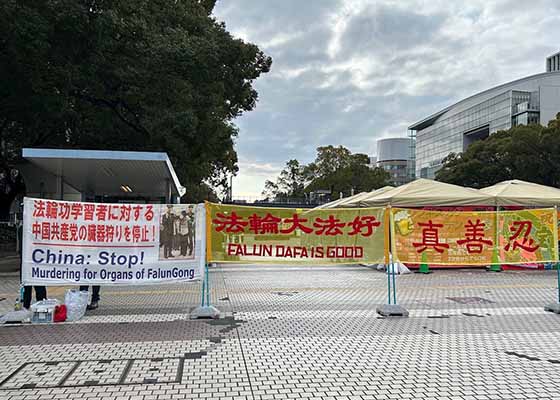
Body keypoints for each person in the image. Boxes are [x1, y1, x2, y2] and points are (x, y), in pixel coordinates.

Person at [17, 223, 47, 309]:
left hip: (32, 263)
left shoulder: (31, 227)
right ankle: (32, 307)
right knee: (29, 288)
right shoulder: (26, 228)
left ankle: (40, 308)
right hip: (31, 263)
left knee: (37, 288)